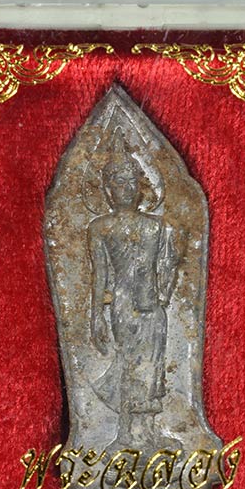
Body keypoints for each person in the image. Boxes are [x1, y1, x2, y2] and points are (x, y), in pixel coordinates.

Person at [88, 157, 179, 415]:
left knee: (152, 370)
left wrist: (163, 295)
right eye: (120, 182)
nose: (127, 188)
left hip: (153, 307)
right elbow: (100, 273)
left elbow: (168, 264)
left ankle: (146, 429)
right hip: (123, 304)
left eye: (132, 182)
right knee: (129, 363)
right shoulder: (100, 227)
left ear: (141, 187)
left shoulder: (157, 226)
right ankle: (127, 429)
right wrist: (97, 316)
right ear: (108, 189)